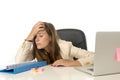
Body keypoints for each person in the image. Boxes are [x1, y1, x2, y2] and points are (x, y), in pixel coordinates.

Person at [15, 21, 94, 67]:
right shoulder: (36, 49)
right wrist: (30, 35)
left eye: (41, 36)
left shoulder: (66, 47)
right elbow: (19, 62)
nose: (36, 40)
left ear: (50, 37)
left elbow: (95, 56)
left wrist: (72, 63)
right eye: (34, 36)